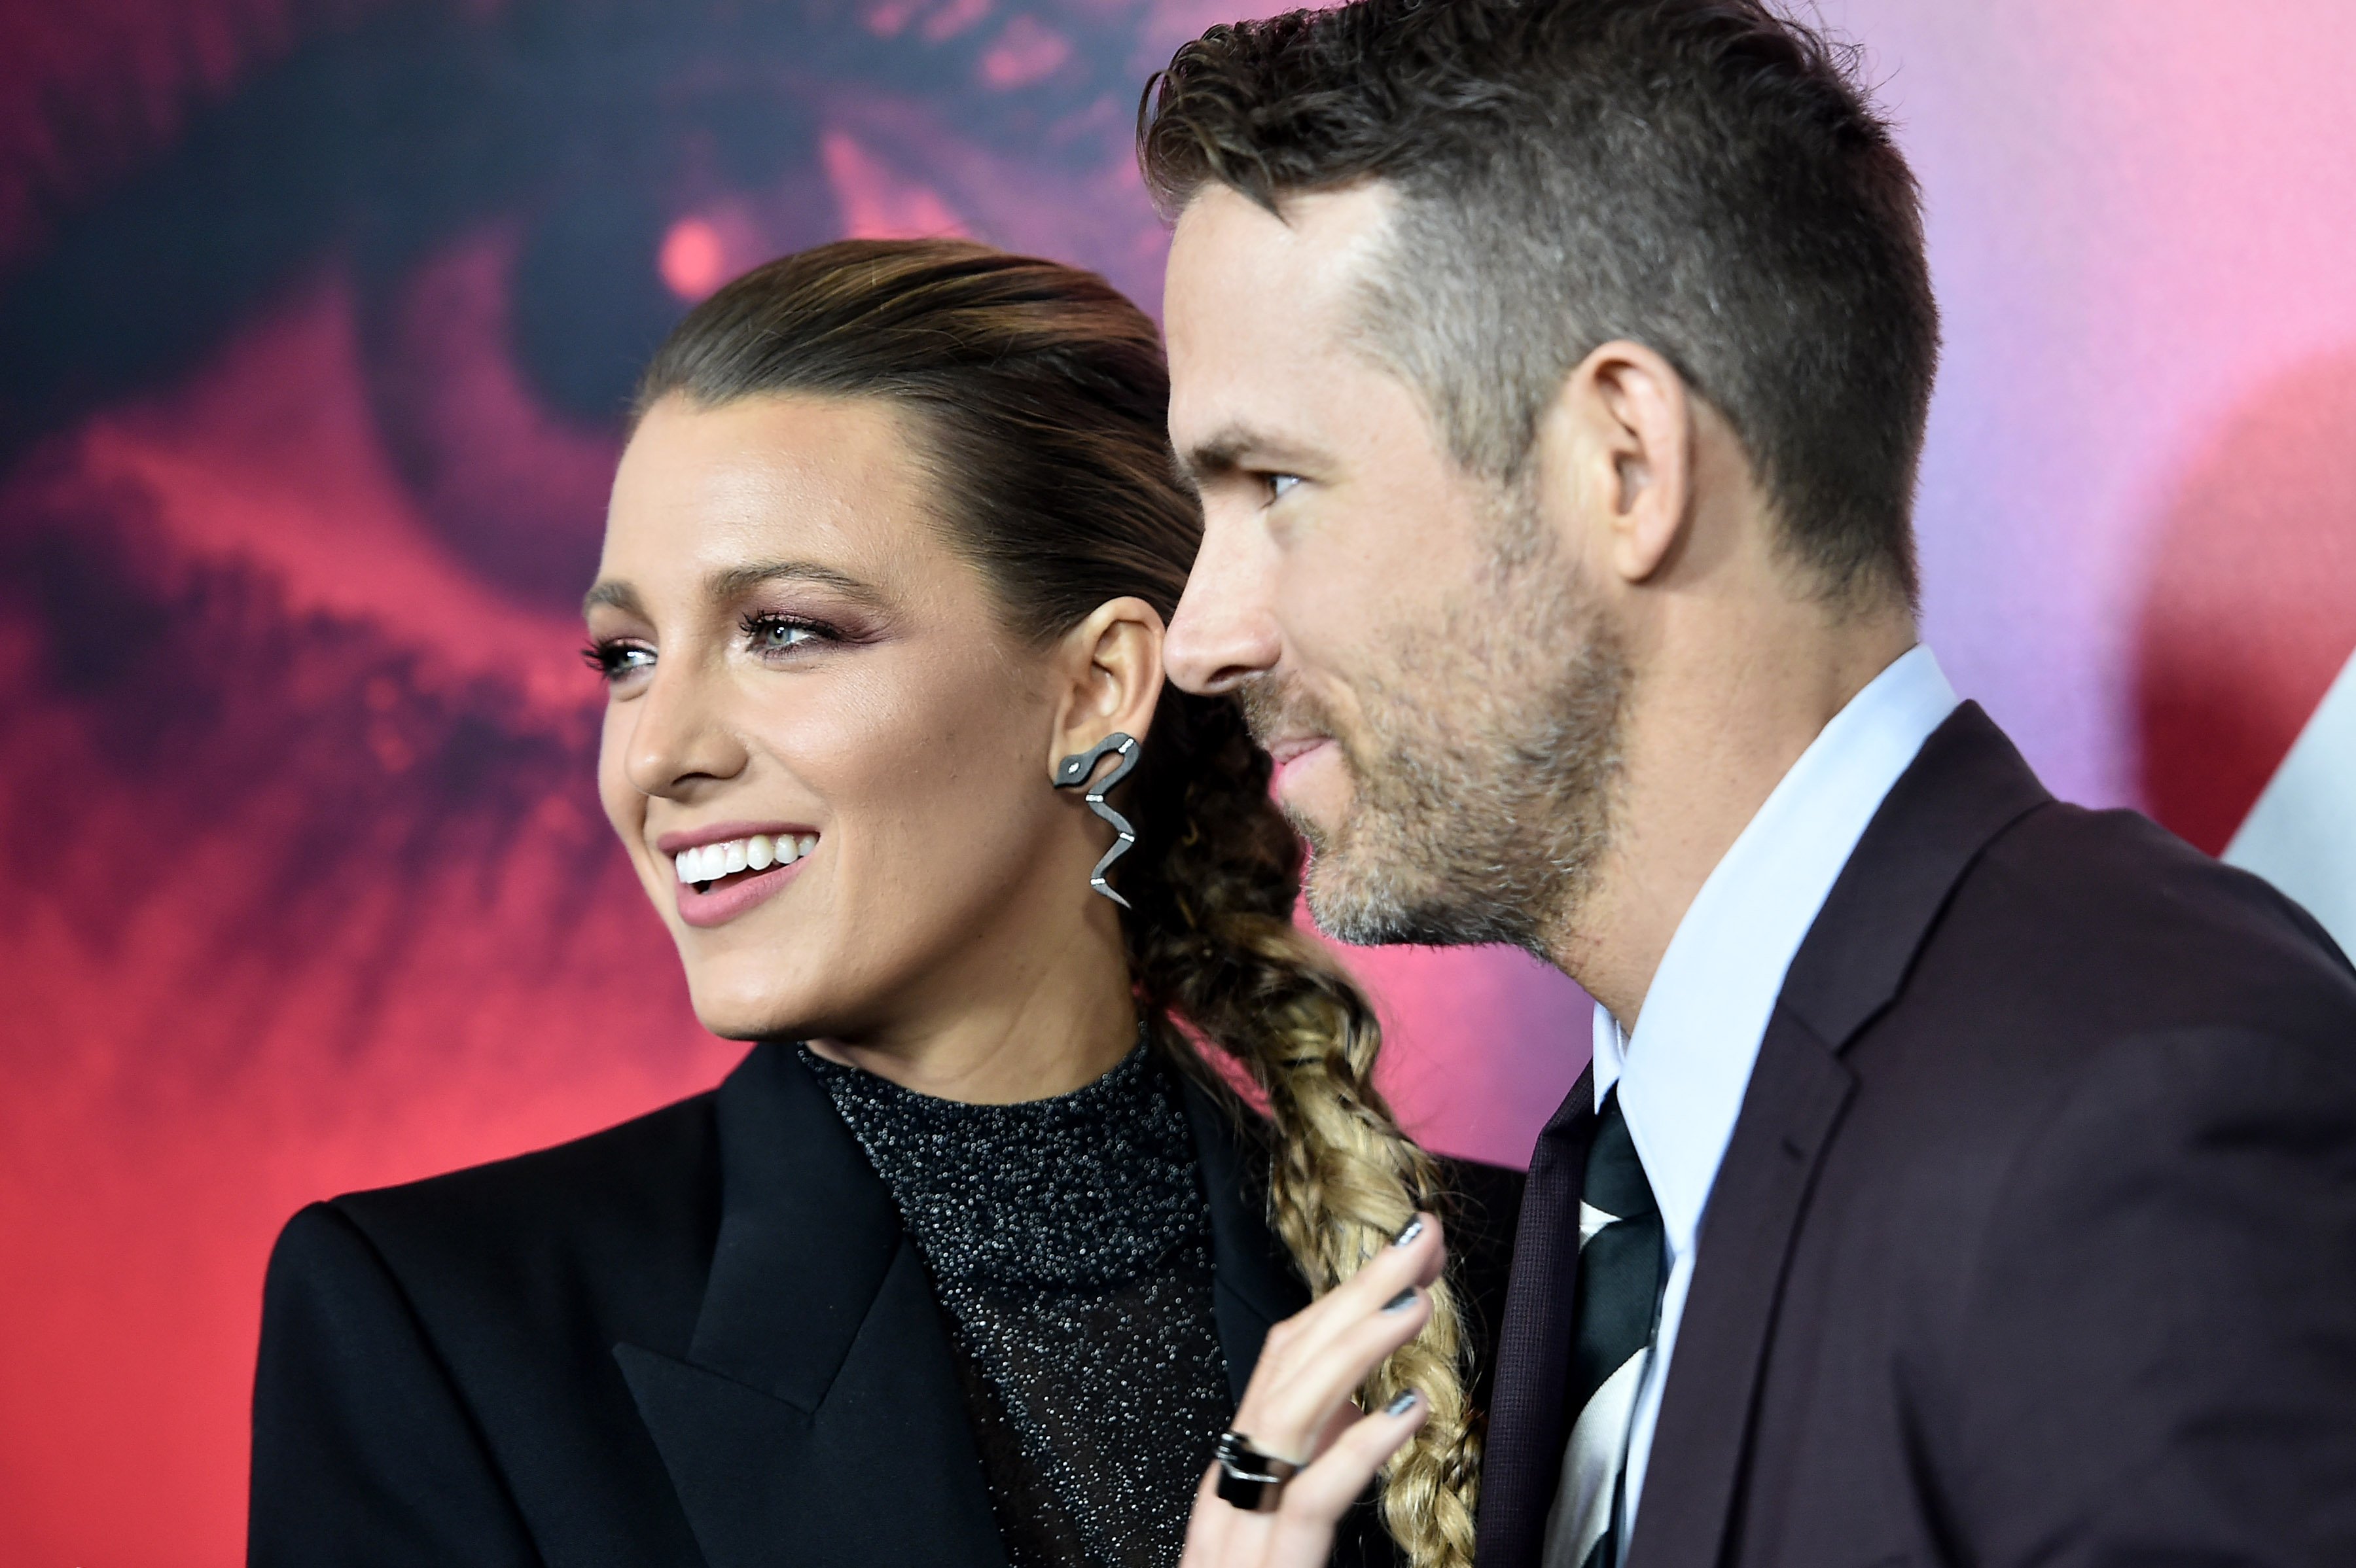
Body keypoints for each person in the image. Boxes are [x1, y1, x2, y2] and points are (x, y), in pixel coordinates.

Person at [1135, 3, 2356, 1567]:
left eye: (1278, 486)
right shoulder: (1613, 1174)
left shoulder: (2136, 1111)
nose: (1201, 636)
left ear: (1623, 463)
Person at [247, 240, 1522, 1568]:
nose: (657, 750)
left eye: (785, 630)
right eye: (626, 656)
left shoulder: (1519, 1279)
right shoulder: (445, 1327)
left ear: (1095, 689)